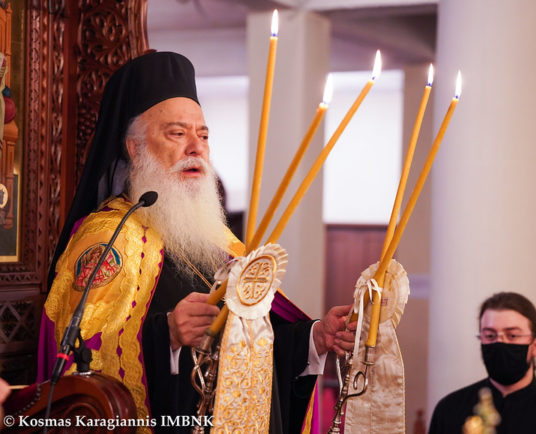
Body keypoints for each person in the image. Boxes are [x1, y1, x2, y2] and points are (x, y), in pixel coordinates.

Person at [37, 51, 356, 434]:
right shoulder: (108, 237)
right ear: (135, 148)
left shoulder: (215, 239)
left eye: (203, 135)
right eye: (177, 133)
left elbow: (253, 339)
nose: (196, 148)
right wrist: (167, 335)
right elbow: (78, 356)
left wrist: (313, 338)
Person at [428, 292, 536, 434]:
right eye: (490, 335)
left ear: (535, 345)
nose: (499, 343)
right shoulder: (450, 410)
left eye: (512, 335)